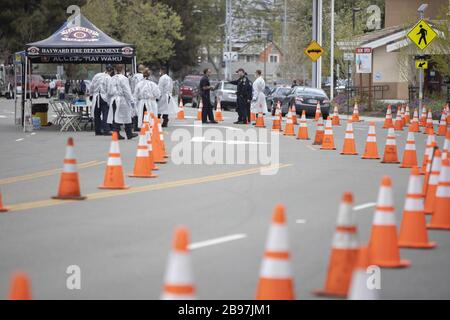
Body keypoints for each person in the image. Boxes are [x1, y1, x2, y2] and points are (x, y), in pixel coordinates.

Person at [107, 64, 138, 140]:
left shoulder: (112, 78)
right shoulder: (124, 78)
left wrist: (109, 101)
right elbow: (126, 90)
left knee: (116, 117)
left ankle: (116, 133)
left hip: (114, 99)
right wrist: (131, 100)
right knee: (127, 116)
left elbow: (108, 91)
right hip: (122, 99)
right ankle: (129, 133)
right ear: (122, 70)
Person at [90, 65, 114, 136]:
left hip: (96, 96)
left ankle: (97, 131)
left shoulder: (97, 75)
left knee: (97, 115)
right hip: (104, 97)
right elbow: (110, 90)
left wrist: (91, 94)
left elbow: (92, 86)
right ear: (111, 71)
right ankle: (106, 130)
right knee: (105, 114)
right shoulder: (109, 78)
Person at [130, 64, 145, 131]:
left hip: (135, 95)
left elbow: (131, 87)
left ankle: (135, 126)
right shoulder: (144, 77)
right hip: (141, 97)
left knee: (135, 112)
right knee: (141, 111)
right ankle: (140, 125)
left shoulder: (134, 77)